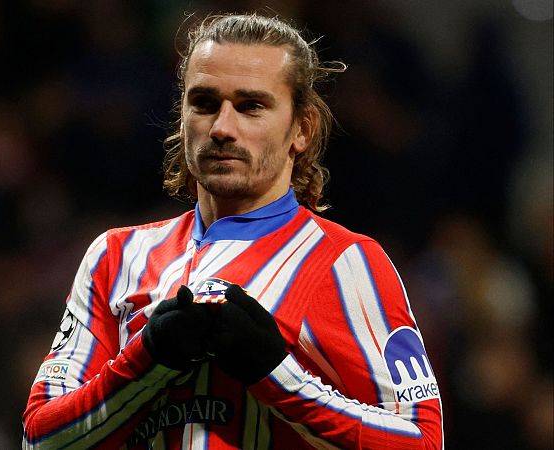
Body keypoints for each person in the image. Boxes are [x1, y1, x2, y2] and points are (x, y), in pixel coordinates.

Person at [22, 13, 444, 449]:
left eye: (251, 106)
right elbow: (40, 437)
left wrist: (278, 375)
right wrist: (146, 360)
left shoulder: (345, 261)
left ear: (302, 128)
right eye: (204, 103)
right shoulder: (114, 257)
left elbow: (424, 442)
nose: (222, 127)